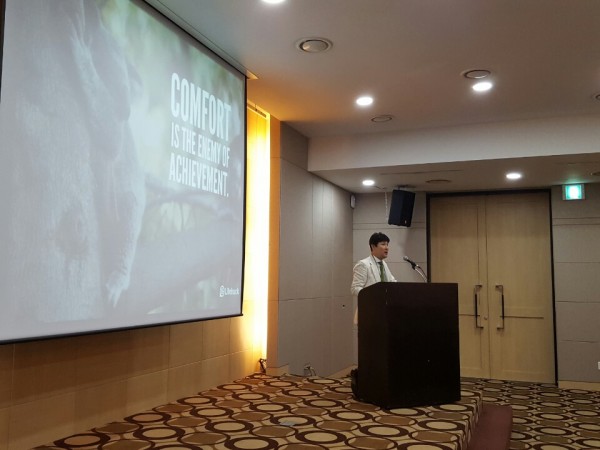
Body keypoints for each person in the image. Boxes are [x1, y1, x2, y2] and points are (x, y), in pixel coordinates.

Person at [351, 232, 397, 324]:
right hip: (369, 313)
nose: (387, 247)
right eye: (383, 244)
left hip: (384, 312)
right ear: (373, 246)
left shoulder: (384, 264)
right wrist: (373, 295)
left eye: (387, 244)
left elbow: (391, 282)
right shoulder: (363, 264)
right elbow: (355, 288)